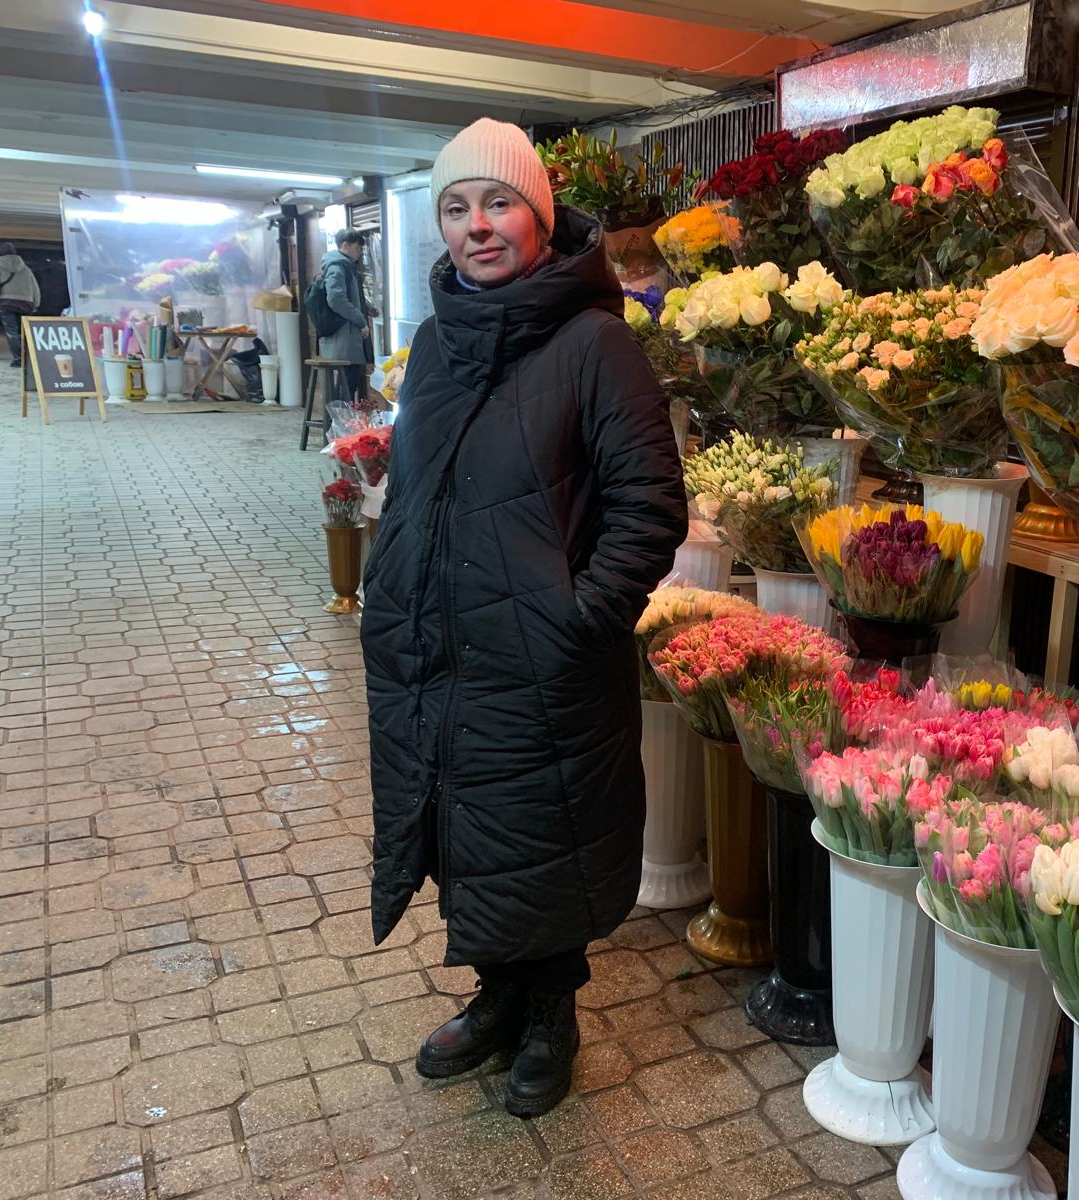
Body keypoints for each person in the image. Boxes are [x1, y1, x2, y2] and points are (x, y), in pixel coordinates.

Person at [360, 118, 687, 1118]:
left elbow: (649, 505)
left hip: (540, 654)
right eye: (456, 209)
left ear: (540, 218)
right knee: (465, 822)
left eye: (498, 203)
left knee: (543, 827)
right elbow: (430, 479)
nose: (477, 226)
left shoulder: (596, 344)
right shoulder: (435, 345)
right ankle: (498, 993)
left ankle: (551, 1011)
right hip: (435, 647)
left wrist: (577, 617)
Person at [318, 228, 376, 402]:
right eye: (358, 248)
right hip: (343, 337)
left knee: (348, 383)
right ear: (345, 245)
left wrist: (367, 308)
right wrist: (360, 320)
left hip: (347, 336)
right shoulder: (338, 266)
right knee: (347, 384)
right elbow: (336, 299)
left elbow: (348, 296)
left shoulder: (344, 265)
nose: (360, 252)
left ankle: (339, 425)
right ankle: (340, 426)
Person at [0, 243, 41, 367]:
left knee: (12, 332)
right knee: (25, 331)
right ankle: (29, 357)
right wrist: (35, 303)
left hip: (6, 303)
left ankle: (18, 359)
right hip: (26, 303)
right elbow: (35, 288)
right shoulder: (26, 270)